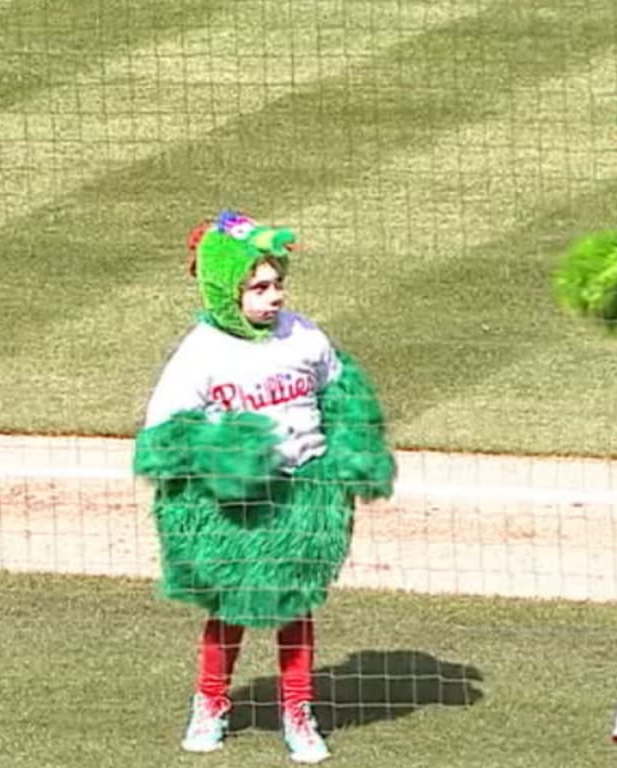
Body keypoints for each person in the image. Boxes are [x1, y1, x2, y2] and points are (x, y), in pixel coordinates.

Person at [132, 209, 396, 764]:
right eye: (258, 287)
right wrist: (225, 458)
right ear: (227, 291)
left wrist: (352, 451)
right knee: (228, 609)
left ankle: (298, 714)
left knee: (295, 608)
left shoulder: (303, 337)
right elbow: (164, 435)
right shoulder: (202, 352)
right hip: (237, 509)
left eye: (277, 284)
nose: (273, 296)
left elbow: (341, 393)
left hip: (302, 496)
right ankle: (210, 703)